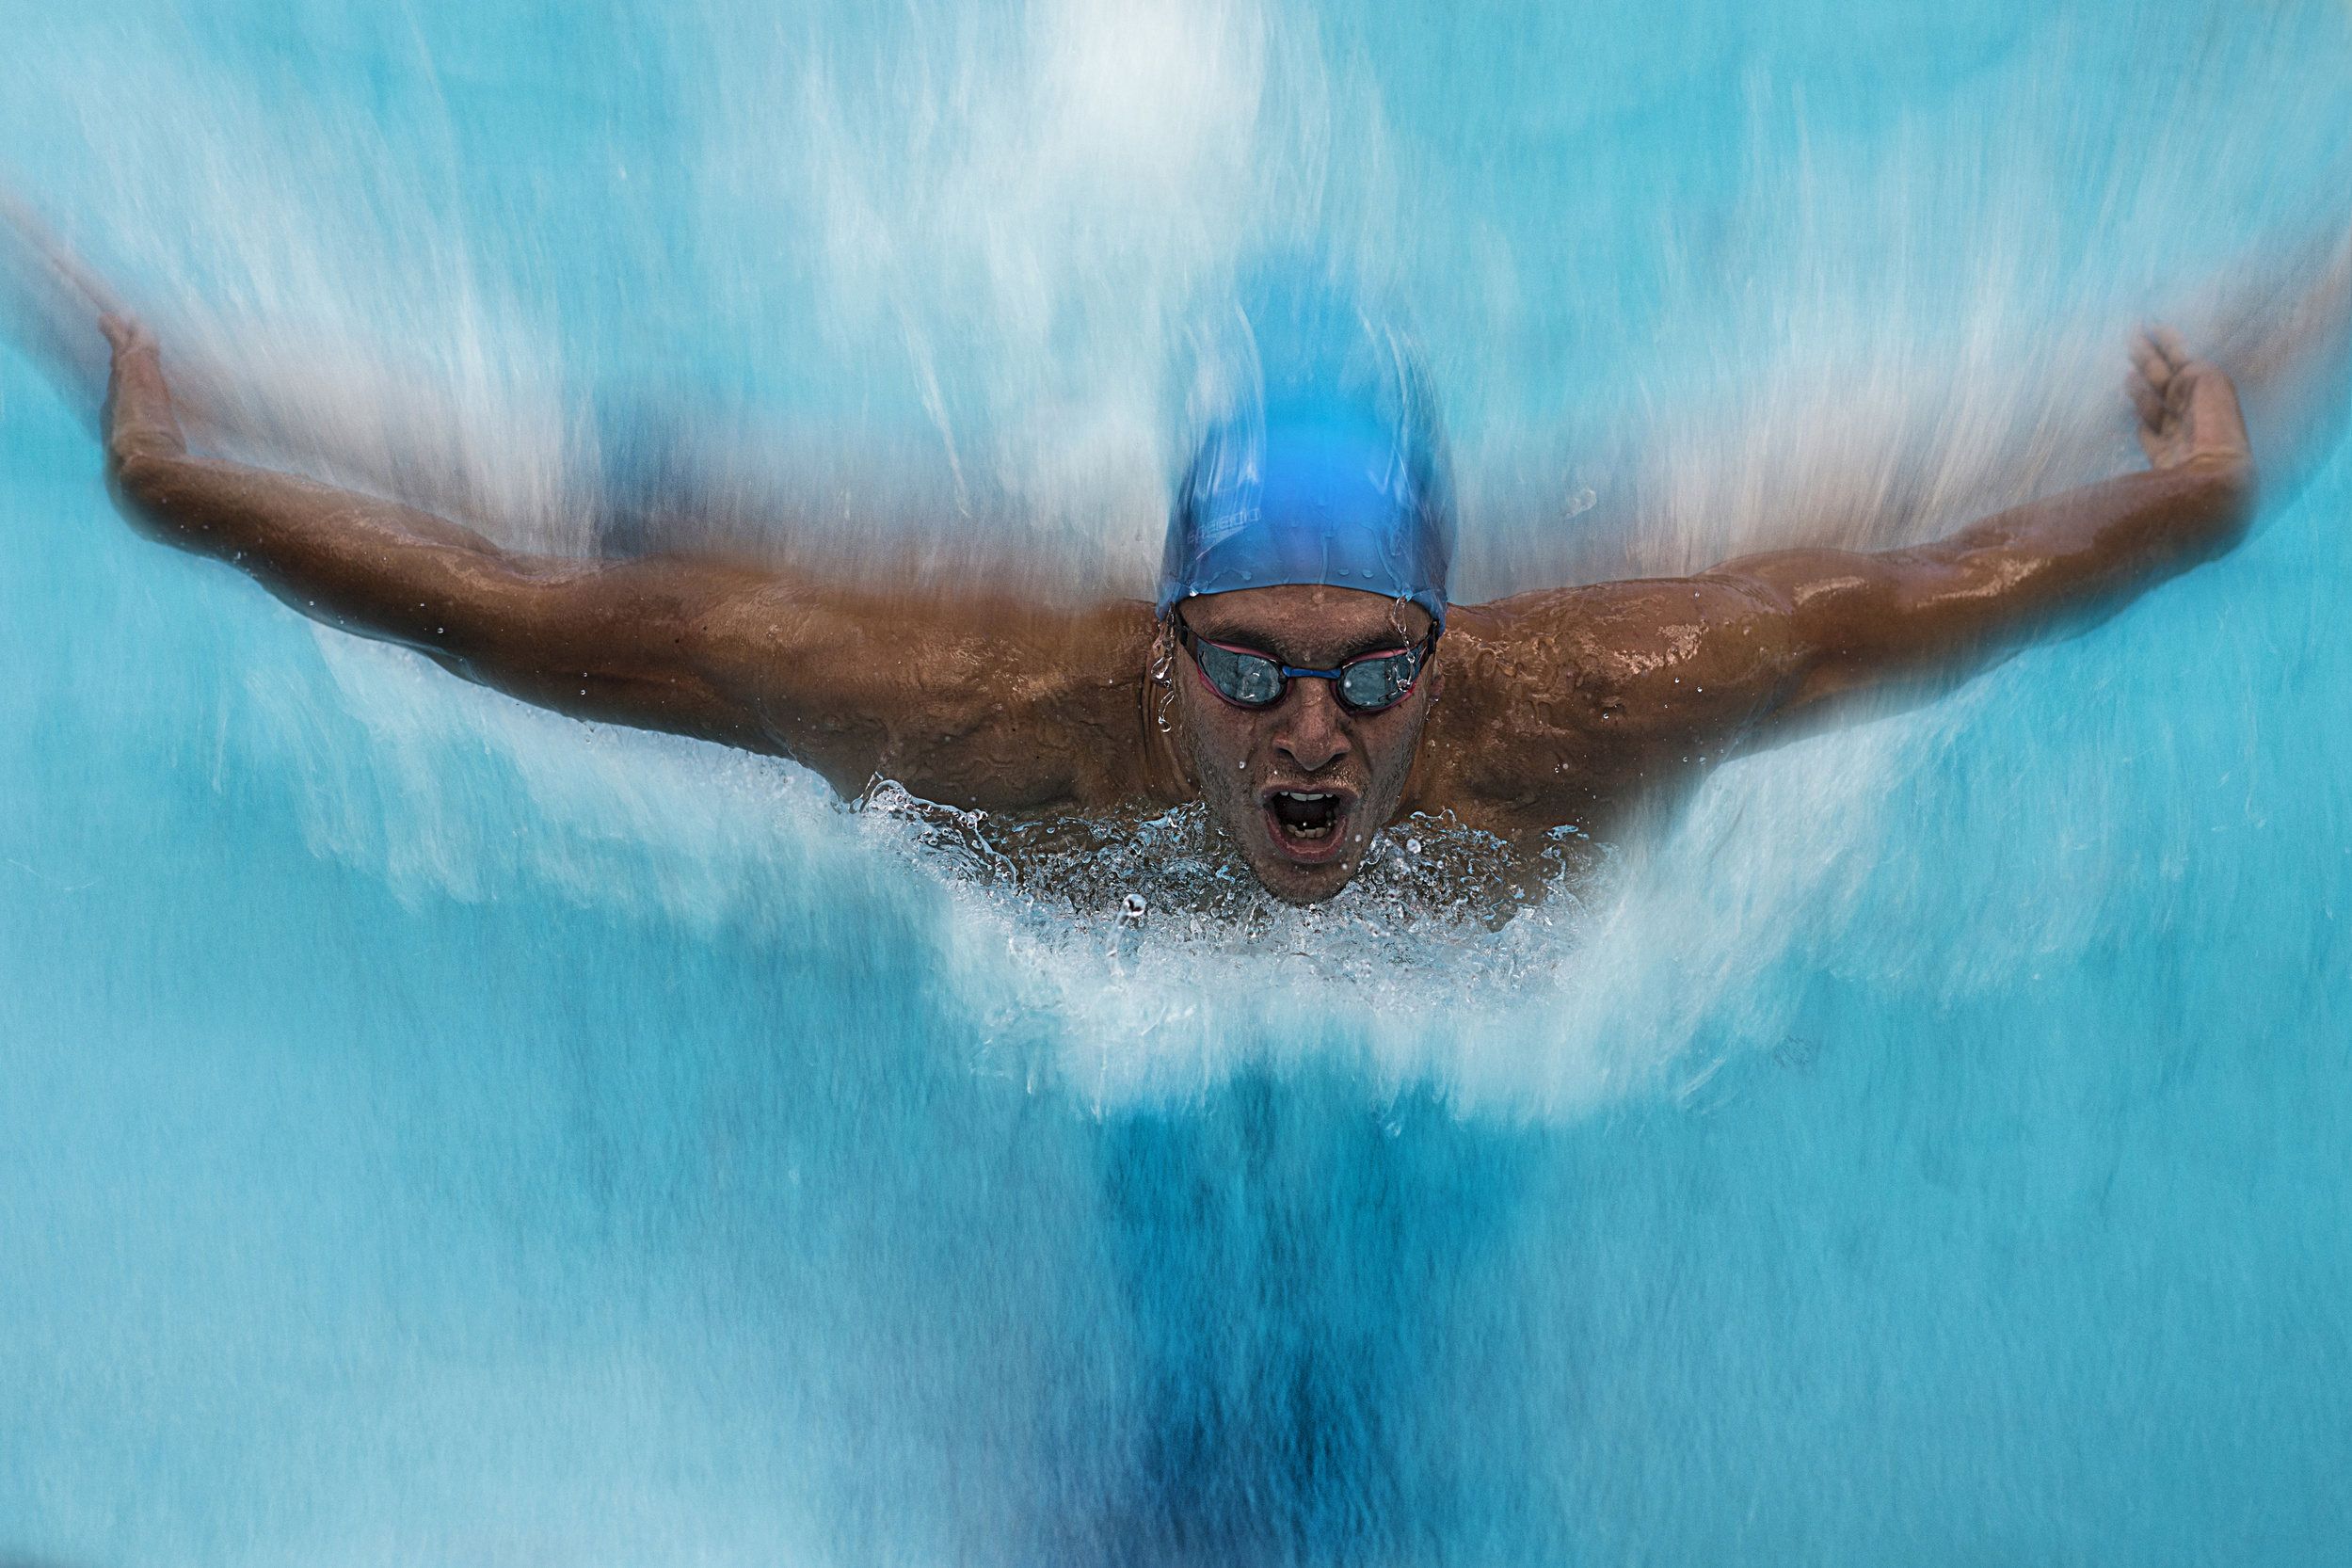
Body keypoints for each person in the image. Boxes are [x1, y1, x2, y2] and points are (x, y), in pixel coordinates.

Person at [88, 285, 2254, 905]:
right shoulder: (977, 709)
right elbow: (520, 618)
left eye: (1369, 674)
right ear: (1159, 645)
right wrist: (193, 498)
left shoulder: (1605, 692)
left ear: (1450, 648)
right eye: (1248, 667)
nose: (1310, 739)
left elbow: (1927, 594)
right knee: (693, 523)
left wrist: (2191, 493)